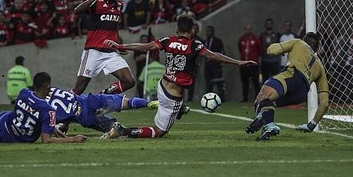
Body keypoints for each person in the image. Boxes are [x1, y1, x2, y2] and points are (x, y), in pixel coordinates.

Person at [101, 14, 257, 139]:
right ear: (193, 31)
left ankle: (180, 109)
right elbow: (214, 56)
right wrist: (239, 62)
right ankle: (122, 131)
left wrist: (120, 46)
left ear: (177, 30)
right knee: (160, 132)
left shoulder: (167, 40)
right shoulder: (195, 45)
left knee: (172, 105)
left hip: (162, 86)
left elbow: (144, 47)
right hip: (173, 96)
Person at [245, 33, 329, 140]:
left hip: (291, 76)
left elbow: (271, 51)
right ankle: (263, 117)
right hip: (301, 93)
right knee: (267, 103)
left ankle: (269, 124)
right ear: (316, 49)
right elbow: (324, 104)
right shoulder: (320, 67)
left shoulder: (298, 42)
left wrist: (279, 50)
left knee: (263, 97)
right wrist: (311, 125)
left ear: (304, 40)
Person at [0, 72, 87, 144]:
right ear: (48, 87)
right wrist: (73, 139)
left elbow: (31, 111)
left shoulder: (24, 93)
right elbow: (46, 140)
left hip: (5, 124)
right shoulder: (49, 110)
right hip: (16, 140)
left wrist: (53, 128)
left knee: (3, 116)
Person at [72, 0, 135, 95]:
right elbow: (77, 11)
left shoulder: (119, 5)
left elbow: (114, 27)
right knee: (80, 87)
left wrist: (118, 44)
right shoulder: (97, 3)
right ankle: (65, 105)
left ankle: (102, 96)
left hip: (110, 52)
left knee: (129, 81)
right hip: (93, 51)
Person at [46, 86, 157, 133]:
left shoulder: (42, 107)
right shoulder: (52, 89)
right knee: (126, 102)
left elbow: (55, 124)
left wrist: (62, 126)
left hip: (83, 117)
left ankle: (144, 132)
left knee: (117, 130)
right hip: (89, 100)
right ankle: (149, 103)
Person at [239, 24, 262, 103]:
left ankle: (257, 99)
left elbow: (259, 50)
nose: (248, 31)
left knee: (255, 82)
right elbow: (240, 49)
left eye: (249, 29)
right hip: (244, 64)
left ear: (251, 30)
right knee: (245, 82)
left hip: (253, 64)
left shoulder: (255, 39)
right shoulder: (241, 39)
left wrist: (254, 58)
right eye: (246, 29)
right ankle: (245, 98)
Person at [203, 26, 226, 100]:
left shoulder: (217, 41)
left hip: (216, 65)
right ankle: (209, 98)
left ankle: (222, 98)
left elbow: (221, 52)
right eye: (207, 31)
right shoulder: (204, 41)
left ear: (213, 32)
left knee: (218, 82)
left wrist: (219, 61)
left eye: (209, 31)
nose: (208, 32)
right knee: (208, 83)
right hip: (207, 65)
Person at [259, 18, 281, 82]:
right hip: (265, 60)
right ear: (265, 25)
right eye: (267, 23)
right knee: (265, 80)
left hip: (274, 61)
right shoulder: (262, 35)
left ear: (272, 24)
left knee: (275, 79)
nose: (269, 25)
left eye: (270, 23)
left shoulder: (277, 35)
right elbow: (260, 48)